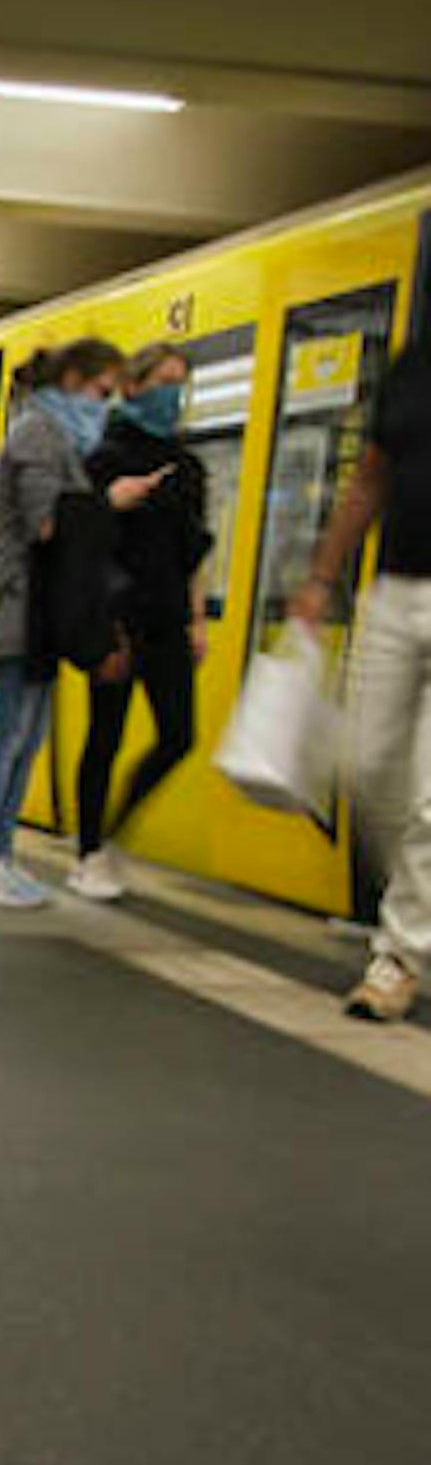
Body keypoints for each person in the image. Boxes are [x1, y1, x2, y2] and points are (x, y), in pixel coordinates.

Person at [0, 338, 135, 910]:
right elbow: (45, 525)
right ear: (73, 380)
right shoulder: (37, 433)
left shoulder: (58, 437)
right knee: (4, 737)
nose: (104, 405)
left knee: (26, 741)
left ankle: (0, 855)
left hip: (42, 611)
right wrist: (109, 503)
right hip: (14, 608)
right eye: (102, 391)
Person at [291, 335, 431, 1022]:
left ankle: (399, 956)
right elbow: (370, 476)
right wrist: (322, 577)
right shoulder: (414, 363)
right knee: (367, 769)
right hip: (394, 590)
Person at [68, 343, 213, 901]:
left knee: (179, 736)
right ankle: (88, 853)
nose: (172, 395)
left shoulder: (189, 468)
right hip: (117, 619)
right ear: (132, 387)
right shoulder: (102, 457)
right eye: (163, 382)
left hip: (168, 618)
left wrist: (197, 619)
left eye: (181, 383)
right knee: (105, 735)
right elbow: (82, 544)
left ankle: (112, 830)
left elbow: (194, 551)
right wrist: (111, 503)